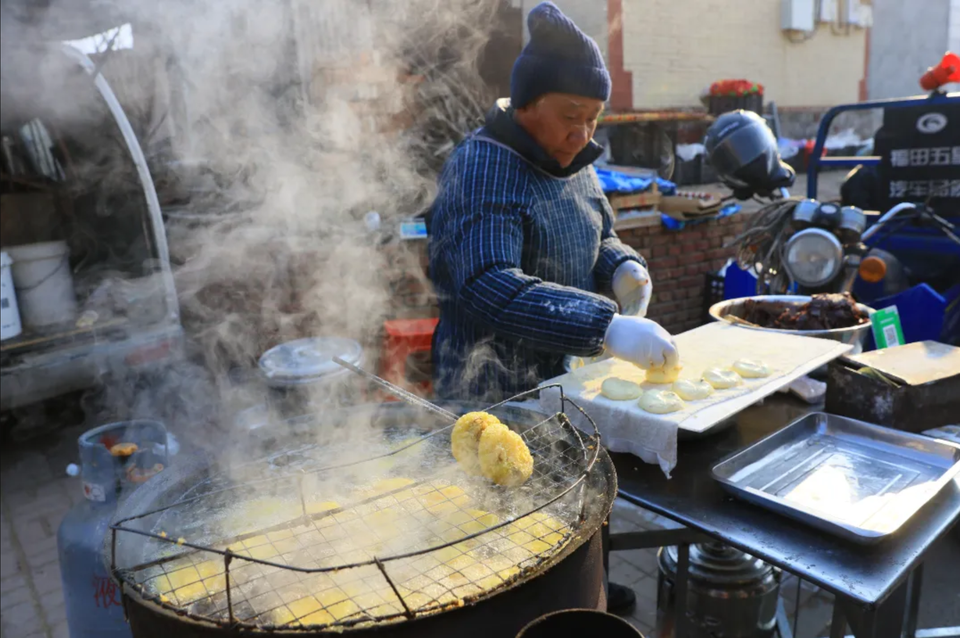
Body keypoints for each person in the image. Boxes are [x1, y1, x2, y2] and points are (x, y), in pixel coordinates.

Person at [428, 1, 679, 614]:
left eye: (594, 120)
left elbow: (598, 234)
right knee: (506, 522)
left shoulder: (575, 161)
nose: (583, 135)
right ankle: (521, 614)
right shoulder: (486, 168)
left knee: (576, 493)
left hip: (565, 376)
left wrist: (621, 266)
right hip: (495, 387)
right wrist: (605, 326)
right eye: (571, 117)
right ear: (527, 104)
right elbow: (487, 281)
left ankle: (580, 588)